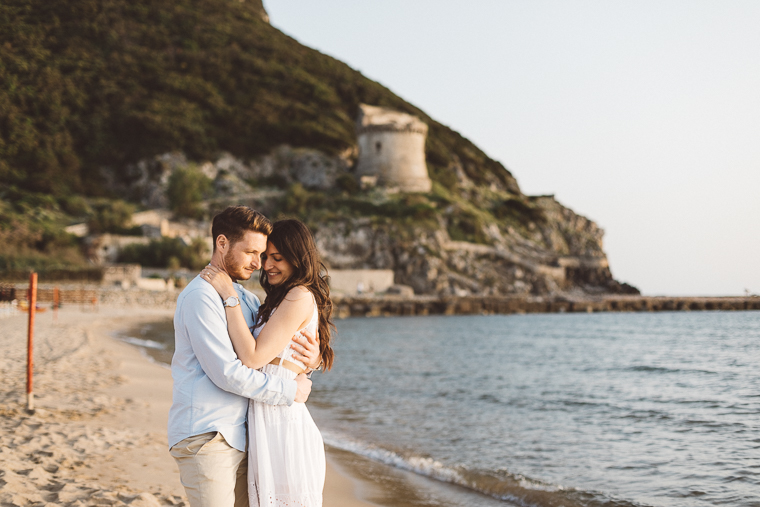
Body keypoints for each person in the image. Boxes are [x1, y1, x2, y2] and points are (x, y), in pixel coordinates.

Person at [168, 206, 322, 507]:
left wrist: (310, 361)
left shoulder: (247, 300)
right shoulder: (201, 297)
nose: (259, 264)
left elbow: (272, 354)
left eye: (263, 255)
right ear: (222, 243)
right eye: (252, 252)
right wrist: (292, 391)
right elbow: (228, 372)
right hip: (207, 436)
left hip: (243, 436)